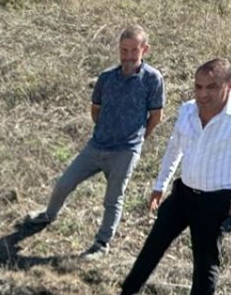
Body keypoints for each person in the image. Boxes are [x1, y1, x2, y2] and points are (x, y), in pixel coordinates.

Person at [102, 58, 231, 295]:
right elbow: (174, 148)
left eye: (212, 87)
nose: (203, 94)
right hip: (184, 192)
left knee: (205, 261)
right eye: (198, 86)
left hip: (217, 200)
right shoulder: (187, 111)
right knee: (154, 242)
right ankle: (128, 294)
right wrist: (160, 185)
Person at [31, 25, 164, 259]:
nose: (128, 55)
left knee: (113, 199)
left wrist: (139, 139)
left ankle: (102, 244)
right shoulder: (106, 77)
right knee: (64, 183)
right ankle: (48, 215)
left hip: (126, 151)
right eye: (124, 50)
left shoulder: (153, 79)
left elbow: (156, 117)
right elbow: (96, 110)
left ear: (145, 49)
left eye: (134, 50)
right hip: (97, 145)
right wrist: (104, 130)